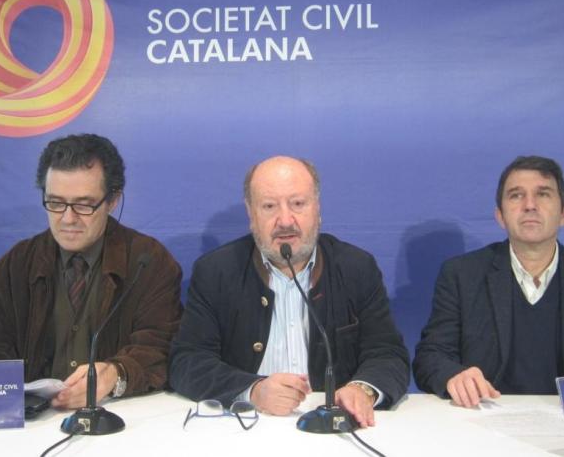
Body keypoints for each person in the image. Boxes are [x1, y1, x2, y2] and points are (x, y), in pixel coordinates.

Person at [169, 156, 409, 428]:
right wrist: (253, 390)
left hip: (332, 426)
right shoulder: (217, 271)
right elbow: (187, 361)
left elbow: (388, 354)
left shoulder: (356, 268)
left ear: (317, 209)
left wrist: (362, 389)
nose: (285, 220)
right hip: (245, 424)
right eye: (269, 206)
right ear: (251, 215)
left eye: (297, 203)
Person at [0, 134, 183, 409]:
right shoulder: (16, 265)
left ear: (112, 200)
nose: (68, 219)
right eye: (56, 203)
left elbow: (160, 347)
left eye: (83, 205)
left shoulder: (149, 261)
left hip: (115, 413)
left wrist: (116, 374)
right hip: (32, 417)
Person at [413, 155, 564, 407]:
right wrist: (454, 375)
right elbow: (430, 356)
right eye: (516, 195)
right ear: (500, 216)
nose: (530, 205)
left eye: (543, 194)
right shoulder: (461, 275)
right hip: (485, 414)